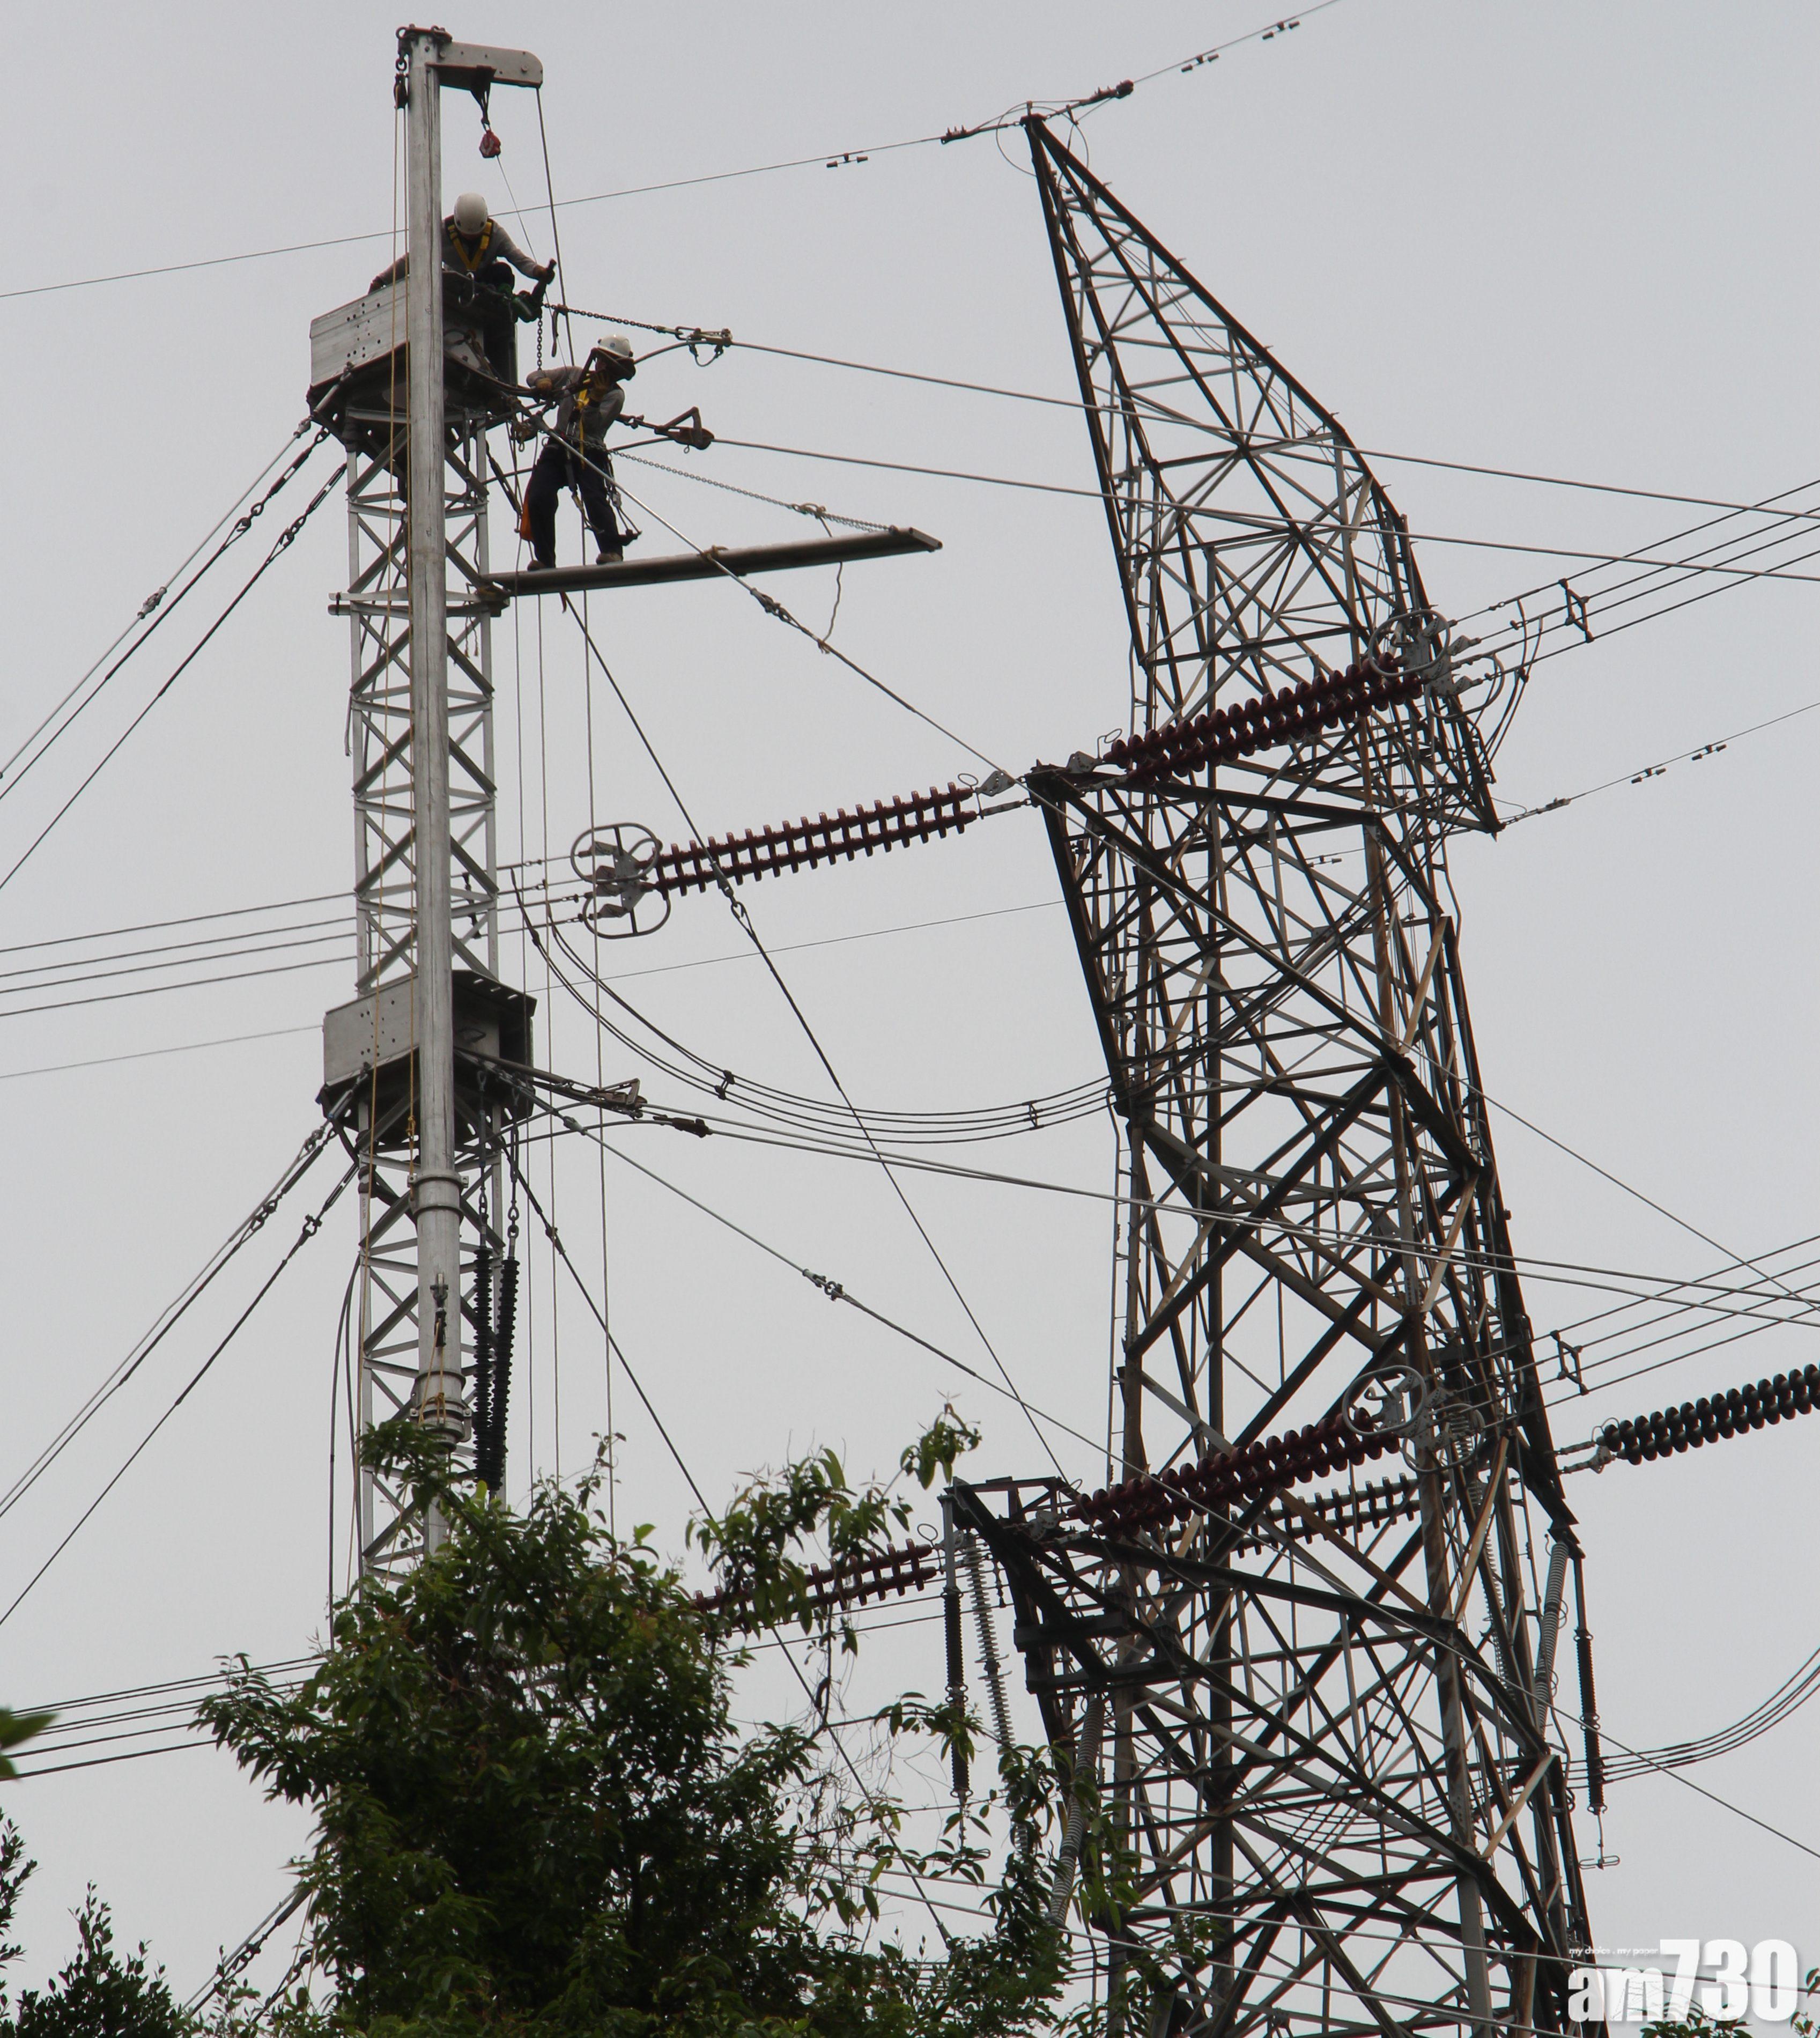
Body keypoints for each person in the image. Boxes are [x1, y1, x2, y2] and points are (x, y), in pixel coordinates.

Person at [370, 193, 554, 381]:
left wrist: (537, 272)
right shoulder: (440, 233)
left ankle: (503, 302)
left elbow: (517, 257)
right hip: (455, 286)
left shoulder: (495, 234)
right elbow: (412, 259)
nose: (471, 239)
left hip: (485, 286)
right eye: (467, 235)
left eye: (476, 236)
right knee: (436, 277)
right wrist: (383, 280)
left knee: (502, 272)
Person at [521, 336, 638, 570]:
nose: (602, 367)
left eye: (609, 363)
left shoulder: (615, 395)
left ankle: (612, 551)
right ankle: (545, 559)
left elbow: (593, 425)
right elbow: (534, 375)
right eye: (602, 361)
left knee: (595, 498)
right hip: (558, 446)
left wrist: (594, 401)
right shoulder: (574, 375)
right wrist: (543, 382)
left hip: (589, 451)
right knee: (539, 497)